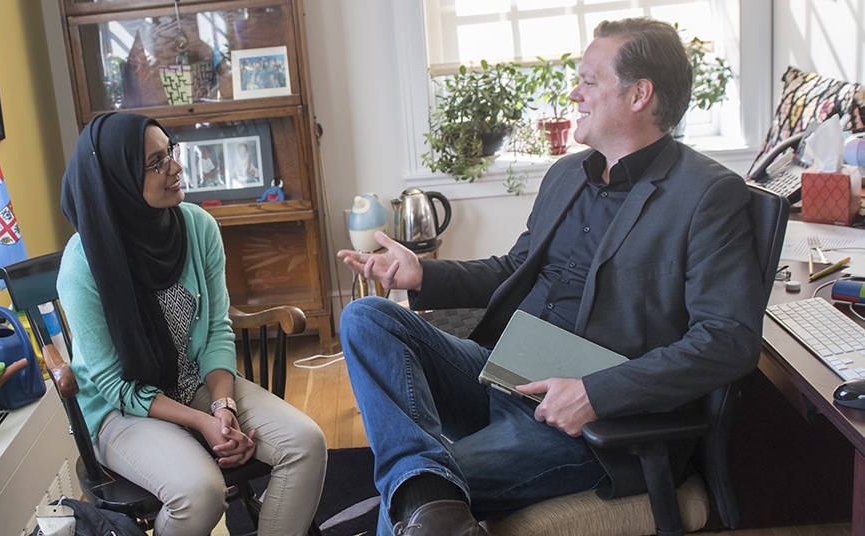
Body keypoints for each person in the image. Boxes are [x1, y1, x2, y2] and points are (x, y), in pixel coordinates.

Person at [337, 17, 763, 536]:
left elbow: (729, 340)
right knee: (367, 318)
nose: (573, 94)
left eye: (588, 81)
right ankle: (426, 486)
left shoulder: (706, 194)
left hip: (592, 426)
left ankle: (424, 490)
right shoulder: (567, 174)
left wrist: (595, 393)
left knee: (415, 493)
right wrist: (421, 272)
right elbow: (515, 269)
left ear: (639, 95)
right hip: (506, 370)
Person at [58, 112, 327, 536]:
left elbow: (218, 329)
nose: (176, 167)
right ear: (118, 180)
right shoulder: (83, 264)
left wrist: (223, 406)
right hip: (122, 411)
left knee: (307, 444)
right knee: (200, 492)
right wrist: (203, 423)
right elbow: (113, 384)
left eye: (170, 151)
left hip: (196, 382)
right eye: (155, 162)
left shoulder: (198, 227)